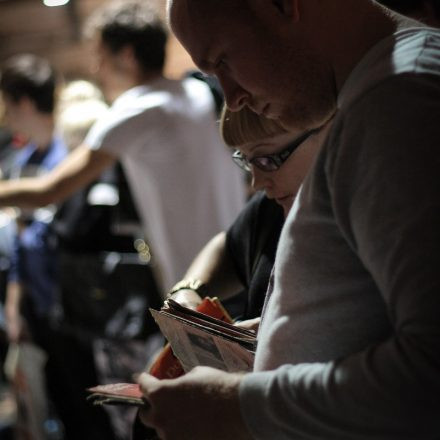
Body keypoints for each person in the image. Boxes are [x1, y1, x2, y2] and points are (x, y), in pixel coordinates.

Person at [136, 1, 440, 439]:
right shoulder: (386, 94)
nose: (234, 97)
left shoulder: (396, 103)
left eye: (224, 59)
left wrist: (236, 407)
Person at [0, 0, 245, 294]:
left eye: (100, 56)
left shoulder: (133, 111)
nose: (95, 68)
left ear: (127, 56)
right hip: (240, 261)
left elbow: (48, 191)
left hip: (196, 281)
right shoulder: (198, 91)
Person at [0, 53, 69, 439]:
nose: (6, 115)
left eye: (8, 104)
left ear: (24, 102)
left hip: (74, 309)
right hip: (40, 308)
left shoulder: (71, 160)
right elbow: (21, 245)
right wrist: (14, 307)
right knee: (54, 403)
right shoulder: (23, 163)